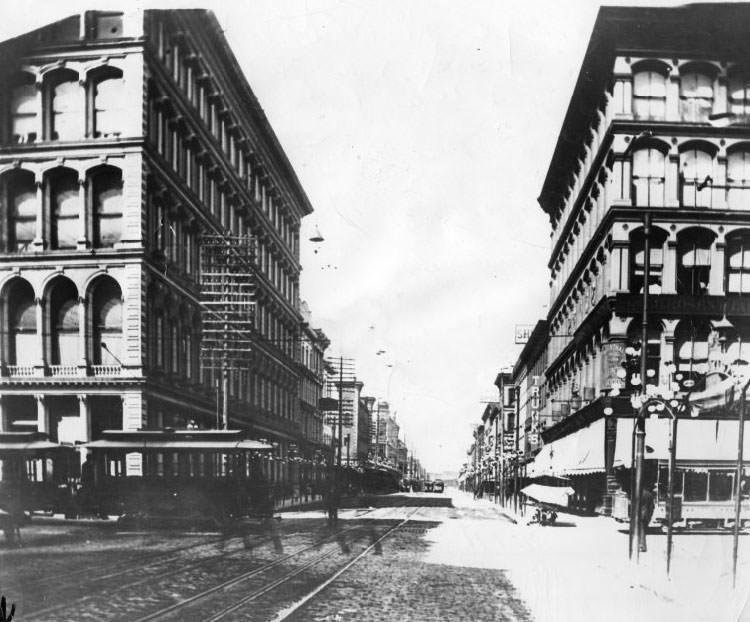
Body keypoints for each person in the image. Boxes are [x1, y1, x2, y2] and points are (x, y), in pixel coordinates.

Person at [639, 484, 656, 552]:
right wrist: (650, 516)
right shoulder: (649, 494)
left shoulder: (639, 494)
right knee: (643, 530)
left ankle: (642, 546)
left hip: (640, 515)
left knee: (641, 530)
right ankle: (641, 545)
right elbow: (652, 507)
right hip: (646, 515)